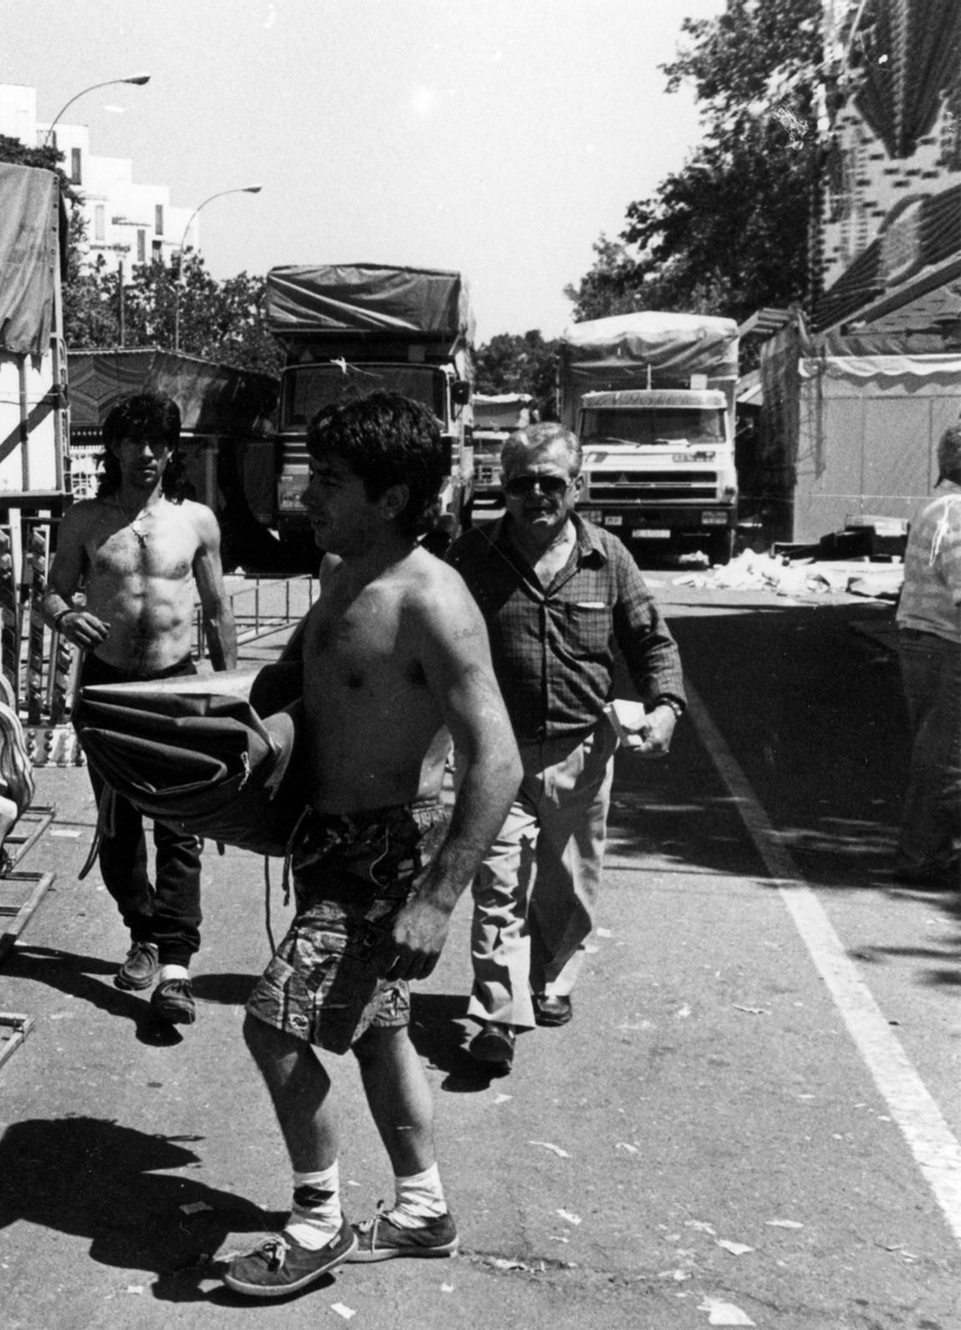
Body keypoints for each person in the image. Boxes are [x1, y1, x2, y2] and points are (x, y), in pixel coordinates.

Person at [224, 391, 521, 1298]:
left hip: (386, 855)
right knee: (378, 1031)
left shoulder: (433, 600)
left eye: (333, 481)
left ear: (391, 499)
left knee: (273, 1025)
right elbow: (320, 688)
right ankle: (423, 1210)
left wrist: (437, 898)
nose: (308, 494)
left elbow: (497, 761)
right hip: (330, 841)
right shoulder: (336, 571)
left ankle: (316, 1224)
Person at [445, 422, 686, 1074]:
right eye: (521, 483)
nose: (536, 495)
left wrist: (665, 706)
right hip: (496, 755)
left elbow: (651, 642)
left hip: (583, 752)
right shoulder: (468, 556)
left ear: (576, 486)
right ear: (503, 486)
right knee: (497, 885)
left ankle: (549, 979)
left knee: (568, 887)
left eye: (551, 482)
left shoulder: (609, 558)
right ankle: (496, 1016)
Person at [41, 391, 237, 1030]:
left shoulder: (197, 521)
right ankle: (144, 933)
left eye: (158, 442)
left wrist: (232, 688)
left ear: (172, 449)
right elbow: (48, 593)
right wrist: (67, 616)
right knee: (118, 826)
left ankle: (176, 965)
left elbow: (218, 608)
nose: (146, 454)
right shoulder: (83, 520)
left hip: (175, 688)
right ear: (114, 449)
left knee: (180, 825)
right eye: (132, 441)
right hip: (106, 690)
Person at [893, 421, 961, 885]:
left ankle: (928, 849)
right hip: (947, 644)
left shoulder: (936, 507)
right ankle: (923, 856)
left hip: (921, 639)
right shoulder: (958, 512)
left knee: (933, 748)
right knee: (948, 755)